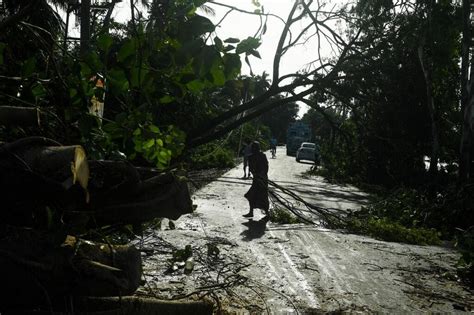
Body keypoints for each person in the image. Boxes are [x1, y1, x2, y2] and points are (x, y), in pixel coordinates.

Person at [243, 141, 269, 218]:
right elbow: (251, 168)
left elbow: (266, 167)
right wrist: (254, 174)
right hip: (256, 179)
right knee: (251, 195)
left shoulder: (262, 156)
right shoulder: (251, 157)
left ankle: (267, 213)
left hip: (263, 179)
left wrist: (261, 174)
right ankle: (251, 212)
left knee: (263, 196)